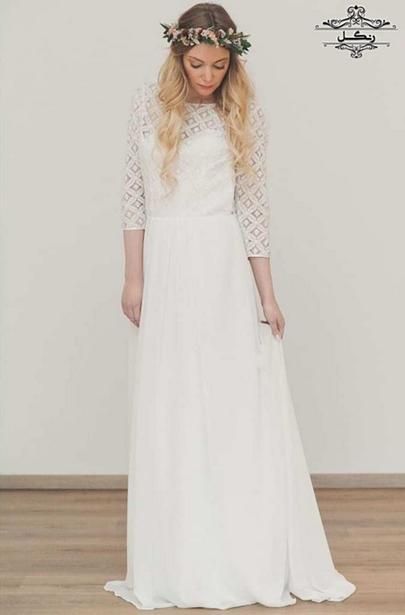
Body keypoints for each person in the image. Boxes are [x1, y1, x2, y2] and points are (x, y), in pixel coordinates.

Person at [104, 2, 357, 609]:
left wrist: (267, 293)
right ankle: (179, 557)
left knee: (230, 402)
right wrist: (133, 277)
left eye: (219, 65)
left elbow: (254, 207)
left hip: (221, 264)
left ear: (232, 62)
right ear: (178, 57)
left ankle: (240, 550)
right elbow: (134, 196)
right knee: (173, 402)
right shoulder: (146, 104)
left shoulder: (243, 111)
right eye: (197, 64)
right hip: (166, 263)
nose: (208, 75)